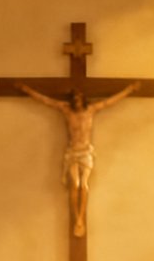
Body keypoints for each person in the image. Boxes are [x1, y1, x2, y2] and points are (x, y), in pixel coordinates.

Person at [14, 81, 140, 238]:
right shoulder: (66, 110)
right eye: (74, 100)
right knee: (75, 184)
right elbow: (45, 100)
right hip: (73, 152)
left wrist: (128, 90)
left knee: (84, 185)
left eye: (79, 99)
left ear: (84, 100)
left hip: (86, 152)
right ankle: (77, 219)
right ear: (72, 101)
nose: (77, 102)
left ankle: (81, 216)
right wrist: (27, 90)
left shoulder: (91, 110)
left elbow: (110, 101)